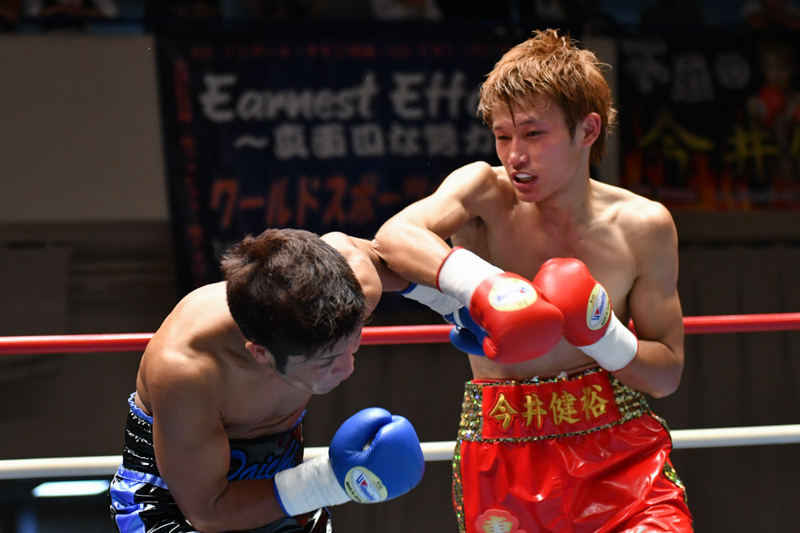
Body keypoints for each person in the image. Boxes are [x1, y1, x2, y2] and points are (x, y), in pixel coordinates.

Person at [373, 29, 693, 532]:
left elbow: (666, 374)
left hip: (620, 455)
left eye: (533, 133)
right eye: (503, 135)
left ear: (587, 131)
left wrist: (603, 333)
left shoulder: (642, 225)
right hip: (506, 449)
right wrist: (487, 287)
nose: (514, 155)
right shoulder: (483, 196)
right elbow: (394, 237)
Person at [109, 228, 425, 533]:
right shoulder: (189, 371)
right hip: (177, 507)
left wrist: (460, 296)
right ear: (260, 353)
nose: (347, 369)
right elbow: (207, 510)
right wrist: (330, 481)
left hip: (283, 491)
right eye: (326, 360)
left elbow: (422, 227)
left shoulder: (346, 295)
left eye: (354, 343)